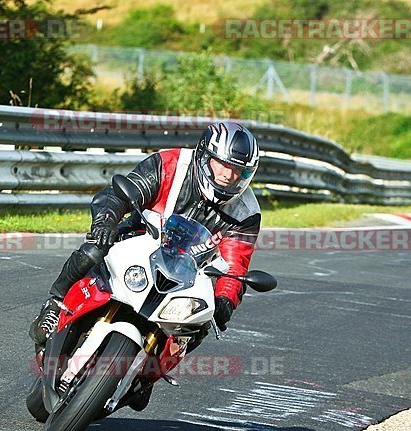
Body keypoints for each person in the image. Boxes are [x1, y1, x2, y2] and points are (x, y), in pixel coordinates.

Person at [29, 121, 262, 352]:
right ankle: (55, 303)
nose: (229, 175)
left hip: (187, 274)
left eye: (239, 170)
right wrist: (106, 221)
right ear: (204, 155)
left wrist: (225, 301)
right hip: (136, 242)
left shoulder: (246, 212)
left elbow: (235, 267)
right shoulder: (171, 164)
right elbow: (119, 195)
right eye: (223, 164)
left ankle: (146, 377)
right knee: (94, 249)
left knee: (200, 323)